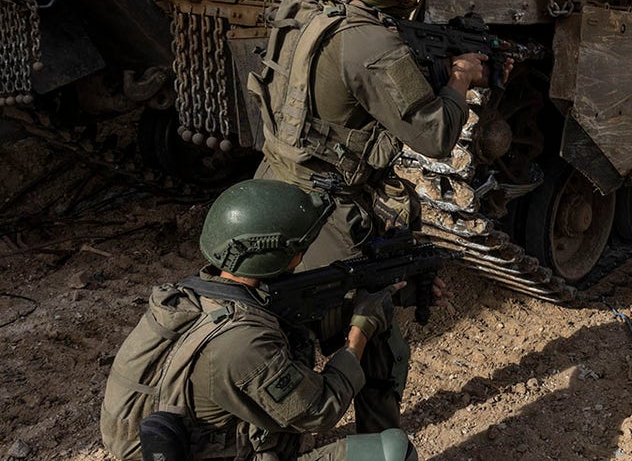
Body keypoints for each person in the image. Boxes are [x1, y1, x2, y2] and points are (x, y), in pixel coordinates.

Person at [247, 0, 488, 433]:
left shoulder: (306, 9)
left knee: (287, 333)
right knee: (374, 341)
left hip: (272, 188)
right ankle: (375, 442)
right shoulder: (373, 42)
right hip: (328, 214)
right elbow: (435, 135)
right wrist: (460, 80)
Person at [100, 179, 419, 461]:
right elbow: (322, 409)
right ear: (282, 255)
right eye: (301, 247)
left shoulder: (191, 298)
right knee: (393, 452)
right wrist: (361, 329)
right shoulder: (242, 345)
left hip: (180, 443)